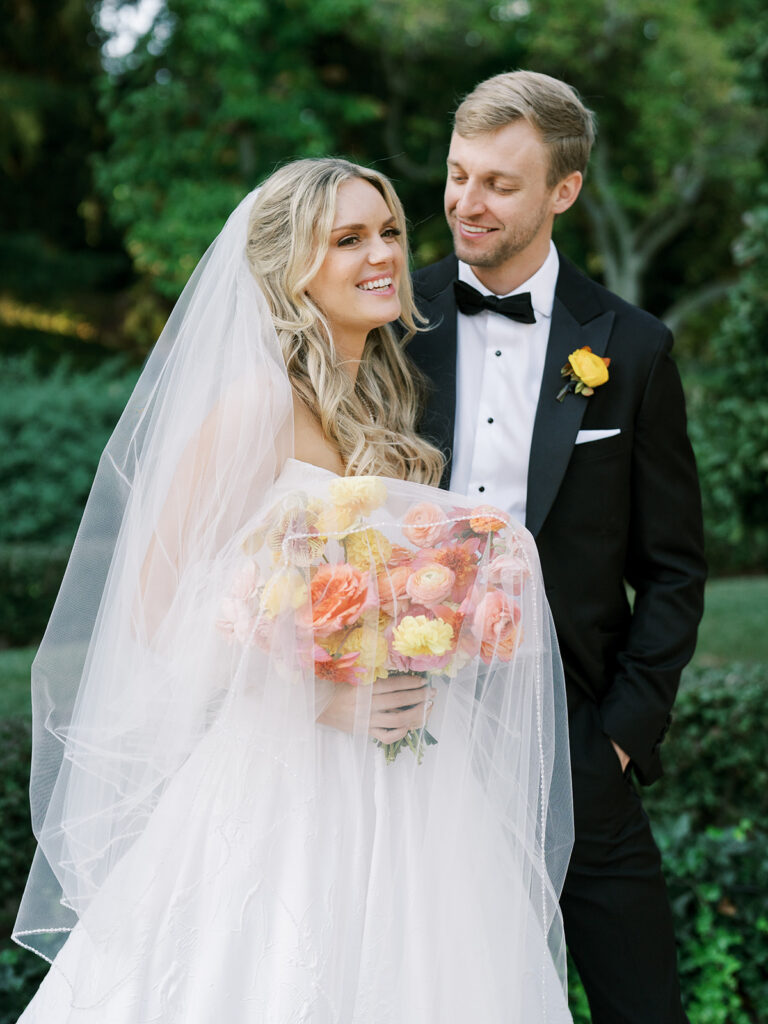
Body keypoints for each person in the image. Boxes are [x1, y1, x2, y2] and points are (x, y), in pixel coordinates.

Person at [13, 158, 574, 1023]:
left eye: (388, 231)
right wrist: (314, 698)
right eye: (348, 239)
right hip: (285, 776)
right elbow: (155, 609)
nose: (383, 253)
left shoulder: (379, 405)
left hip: (410, 778)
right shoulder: (254, 405)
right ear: (289, 267)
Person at [409, 71, 707, 1023]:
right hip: (413, 731)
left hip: (576, 738)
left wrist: (618, 737)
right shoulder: (386, 327)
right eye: (457, 175)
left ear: (562, 191)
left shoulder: (634, 347)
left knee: (641, 1003)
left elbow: (672, 569)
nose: (465, 202)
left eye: (499, 182)